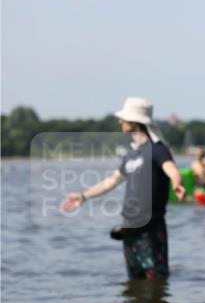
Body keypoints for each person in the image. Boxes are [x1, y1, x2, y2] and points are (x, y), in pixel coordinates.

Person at [62, 97, 186, 280]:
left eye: (124, 118)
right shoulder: (132, 154)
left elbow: (172, 170)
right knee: (135, 281)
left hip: (150, 228)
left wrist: (177, 184)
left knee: (156, 282)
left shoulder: (158, 149)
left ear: (135, 122)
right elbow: (111, 181)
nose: (120, 121)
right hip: (130, 228)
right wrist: (83, 196)